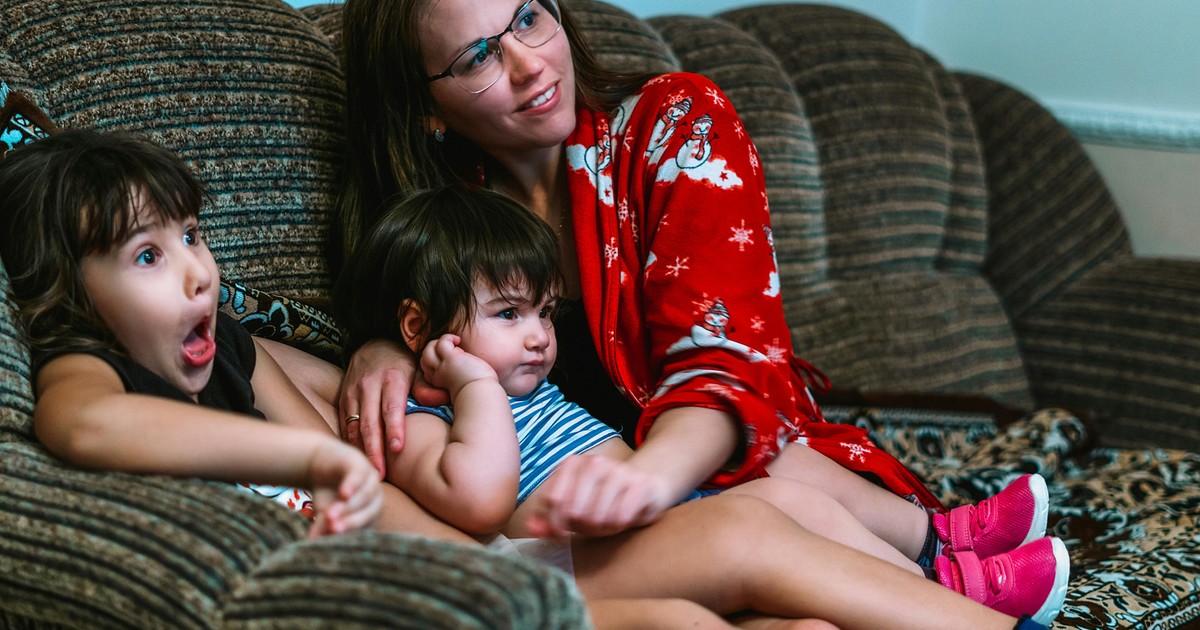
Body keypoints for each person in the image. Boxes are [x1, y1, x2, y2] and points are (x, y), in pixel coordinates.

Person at [333, 0, 1067, 606]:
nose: (529, 65)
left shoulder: (678, 122)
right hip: (602, 522)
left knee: (765, 479)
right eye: (478, 57)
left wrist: (645, 482)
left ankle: (936, 555)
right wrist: (382, 346)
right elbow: (361, 330)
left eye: (528, 18)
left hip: (711, 456)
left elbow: (725, 371)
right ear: (425, 106)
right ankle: (936, 562)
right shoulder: (440, 227)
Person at [334, 184, 1069, 627]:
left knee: (790, 492)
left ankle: (936, 587)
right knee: (767, 517)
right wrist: (472, 387)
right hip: (563, 563)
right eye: (508, 314)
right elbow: (480, 500)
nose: (538, 337)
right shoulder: (416, 420)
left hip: (646, 527)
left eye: (545, 313)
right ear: (415, 328)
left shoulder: (521, 380)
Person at [0, 128, 392, 538]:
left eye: (190, 236)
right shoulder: (84, 366)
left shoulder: (227, 344)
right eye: (148, 256)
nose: (200, 273)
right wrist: (307, 458)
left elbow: (341, 473)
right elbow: (85, 425)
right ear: (70, 298)